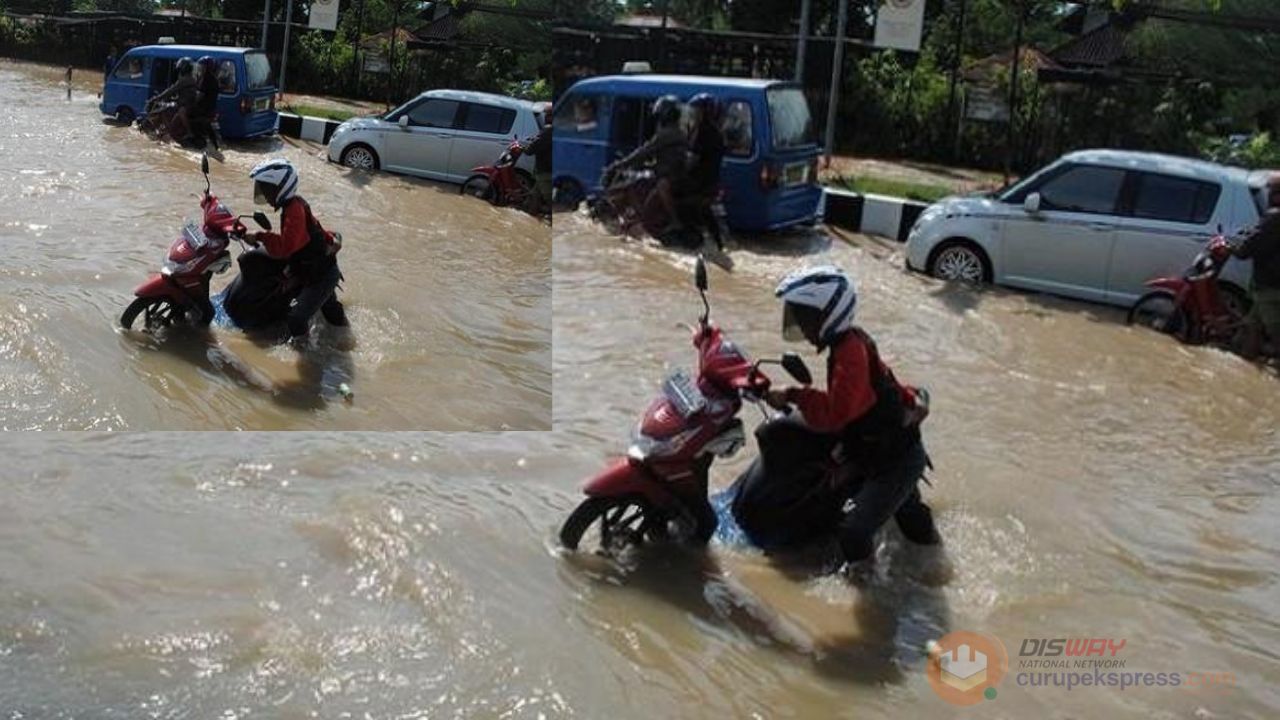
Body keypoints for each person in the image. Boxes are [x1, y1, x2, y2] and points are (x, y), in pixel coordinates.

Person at [762, 266, 940, 579]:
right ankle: (933, 566)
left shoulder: (850, 353)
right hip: (880, 448)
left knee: (854, 532)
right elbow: (879, 391)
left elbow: (836, 412)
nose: (800, 323)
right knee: (910, 518)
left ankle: (870, 590)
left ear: (830, 312)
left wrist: (793, 394)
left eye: (805, 315)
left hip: (893, 459)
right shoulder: (847, 345)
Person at [245, 159, 349, 346]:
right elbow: (315, 229)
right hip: (316, 269)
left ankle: (306, 354)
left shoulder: (294, 211)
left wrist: (261, 236)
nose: (265, 195)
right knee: (330, 309)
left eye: (268, 189)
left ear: (282, 187)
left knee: (296, 319)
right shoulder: (295, 205)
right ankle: (345, 338)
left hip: (320, 275)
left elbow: (286, 247)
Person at [606, 95, 687, 233]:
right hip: (671, 174)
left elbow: (643, 151)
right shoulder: (679, 131)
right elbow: (661, 156)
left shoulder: (666, 134)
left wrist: (619, 164)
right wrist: (646, 165)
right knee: (640, 183)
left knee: (641, 202)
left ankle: (673, 222)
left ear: (664, 114)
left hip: (668, 177)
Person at [1231, 173, 1280, 359]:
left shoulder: (1275, 217)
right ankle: (1246, 366)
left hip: (1271, 285)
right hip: (1272, 283)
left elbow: (1249, 248)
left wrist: (1234, 248)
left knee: (1276, 335)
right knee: (1252, 327)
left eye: (1270, 191)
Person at [682, 92, 728, 250]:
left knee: (678, 198)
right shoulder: (717, 131)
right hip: (711, 181)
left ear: (704, 112)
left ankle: (688, 239)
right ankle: (717, 242)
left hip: (700, 181)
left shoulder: (703, 131)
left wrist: (682, 166)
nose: (694, 114)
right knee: (705, 211)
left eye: (697, 111)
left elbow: (693, 159)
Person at [149, 57, 197, 141]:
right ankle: (164, 132)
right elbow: (181, 92)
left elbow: (171, 90)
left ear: (183, 68)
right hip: (187, 104)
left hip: (185, 105)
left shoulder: (184, 80)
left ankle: (189, 133)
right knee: (169, 108)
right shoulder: (192, 78)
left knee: (165, 113)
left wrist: (157, 97)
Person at [188, 56, 221, 150]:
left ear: (206, 68)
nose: (200, 68)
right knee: (207, 126)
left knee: (188, 116)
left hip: (204, 109)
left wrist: (191, 101)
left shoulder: (206, 79)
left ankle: (194, 139)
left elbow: (200, 95)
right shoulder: (213, 79)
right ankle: (214, 145)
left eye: (202, 66)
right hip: (211, 109)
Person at [524, 108, 552, 217]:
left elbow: (532, 149)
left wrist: (525, 148)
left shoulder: (548, 130)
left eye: (546, 115)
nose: (544, 117)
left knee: (549, 200)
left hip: (546, 170)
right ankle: (530, 222)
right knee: (534, 197)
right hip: (550, 168)